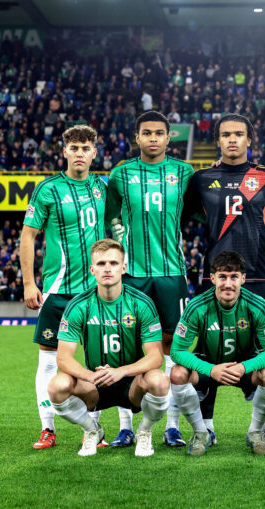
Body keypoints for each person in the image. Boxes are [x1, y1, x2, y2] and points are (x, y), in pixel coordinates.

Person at [182, 113, 265, 447]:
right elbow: (180, 219)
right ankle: (205, 427)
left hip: (258, 277)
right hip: (215, 279)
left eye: (239, 134)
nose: (232, 139)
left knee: (264, 351)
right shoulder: (201, 179)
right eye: (226, 135)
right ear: (217, 140)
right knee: (208, 350)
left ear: (250, 140)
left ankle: (264, 428)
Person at [105, 111, 195, 448]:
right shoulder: (121, 174)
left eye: (159, 133)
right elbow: (110, 216)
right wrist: (121, 239)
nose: (153, 138)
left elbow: (199, 209)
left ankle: (172, 425)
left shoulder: (183, 172)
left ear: (169, 137)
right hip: (133, 274)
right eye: (147, 133)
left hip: (172, 273)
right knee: (128, 349)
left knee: (173, 347)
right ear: (137, 138)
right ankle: (126, 425)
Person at [21, 124, 107, 449]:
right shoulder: (48, 189)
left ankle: (95, 430)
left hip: (96, 293)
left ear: (94, 152)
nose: (80, 153)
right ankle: (48, 429)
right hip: (57, 291)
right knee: (47, 361)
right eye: (74, 148)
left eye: (86, 148)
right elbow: (28, 235)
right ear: (65, 151)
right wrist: (30, 283)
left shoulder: (104, 187)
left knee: (99, 361)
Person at [48, 239, 170, 457]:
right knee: (57, 386)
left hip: (132, 384)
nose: (107, 268)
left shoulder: (141, 303)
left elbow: (155, 357)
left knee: (159, 380)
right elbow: (63, 359)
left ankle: (144, 431)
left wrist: (120, 371)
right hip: (95, 383)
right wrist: (90, 376)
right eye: (101, 263)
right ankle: (92, 430)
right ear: (92, 269)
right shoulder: (78, 306)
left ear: (123, 268)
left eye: (113, 263)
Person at [168, 251, 265, 455]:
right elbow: (176, 351)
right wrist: (210, 370)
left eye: (234, 277)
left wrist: (244, 366)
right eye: (222, 277)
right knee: (177, 373)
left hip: (244, 365)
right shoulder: (196, 306)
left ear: (243, 279)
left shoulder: (257, 306)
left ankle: (256, 432)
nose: (228, 284)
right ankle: (201, 434)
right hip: (207, 365)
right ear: (212, 278)